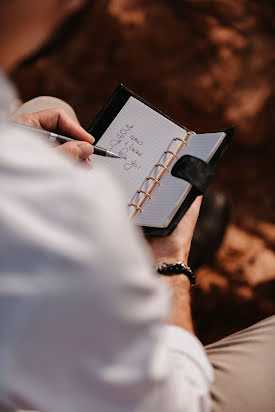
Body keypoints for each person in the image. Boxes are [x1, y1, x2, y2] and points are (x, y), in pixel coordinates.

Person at [0, 2, 273, 412]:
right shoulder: (47, 201)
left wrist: (14, 139)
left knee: (47, 104)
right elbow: (172, 405)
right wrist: (169, 266)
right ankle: (139, 265)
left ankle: (122, 266)